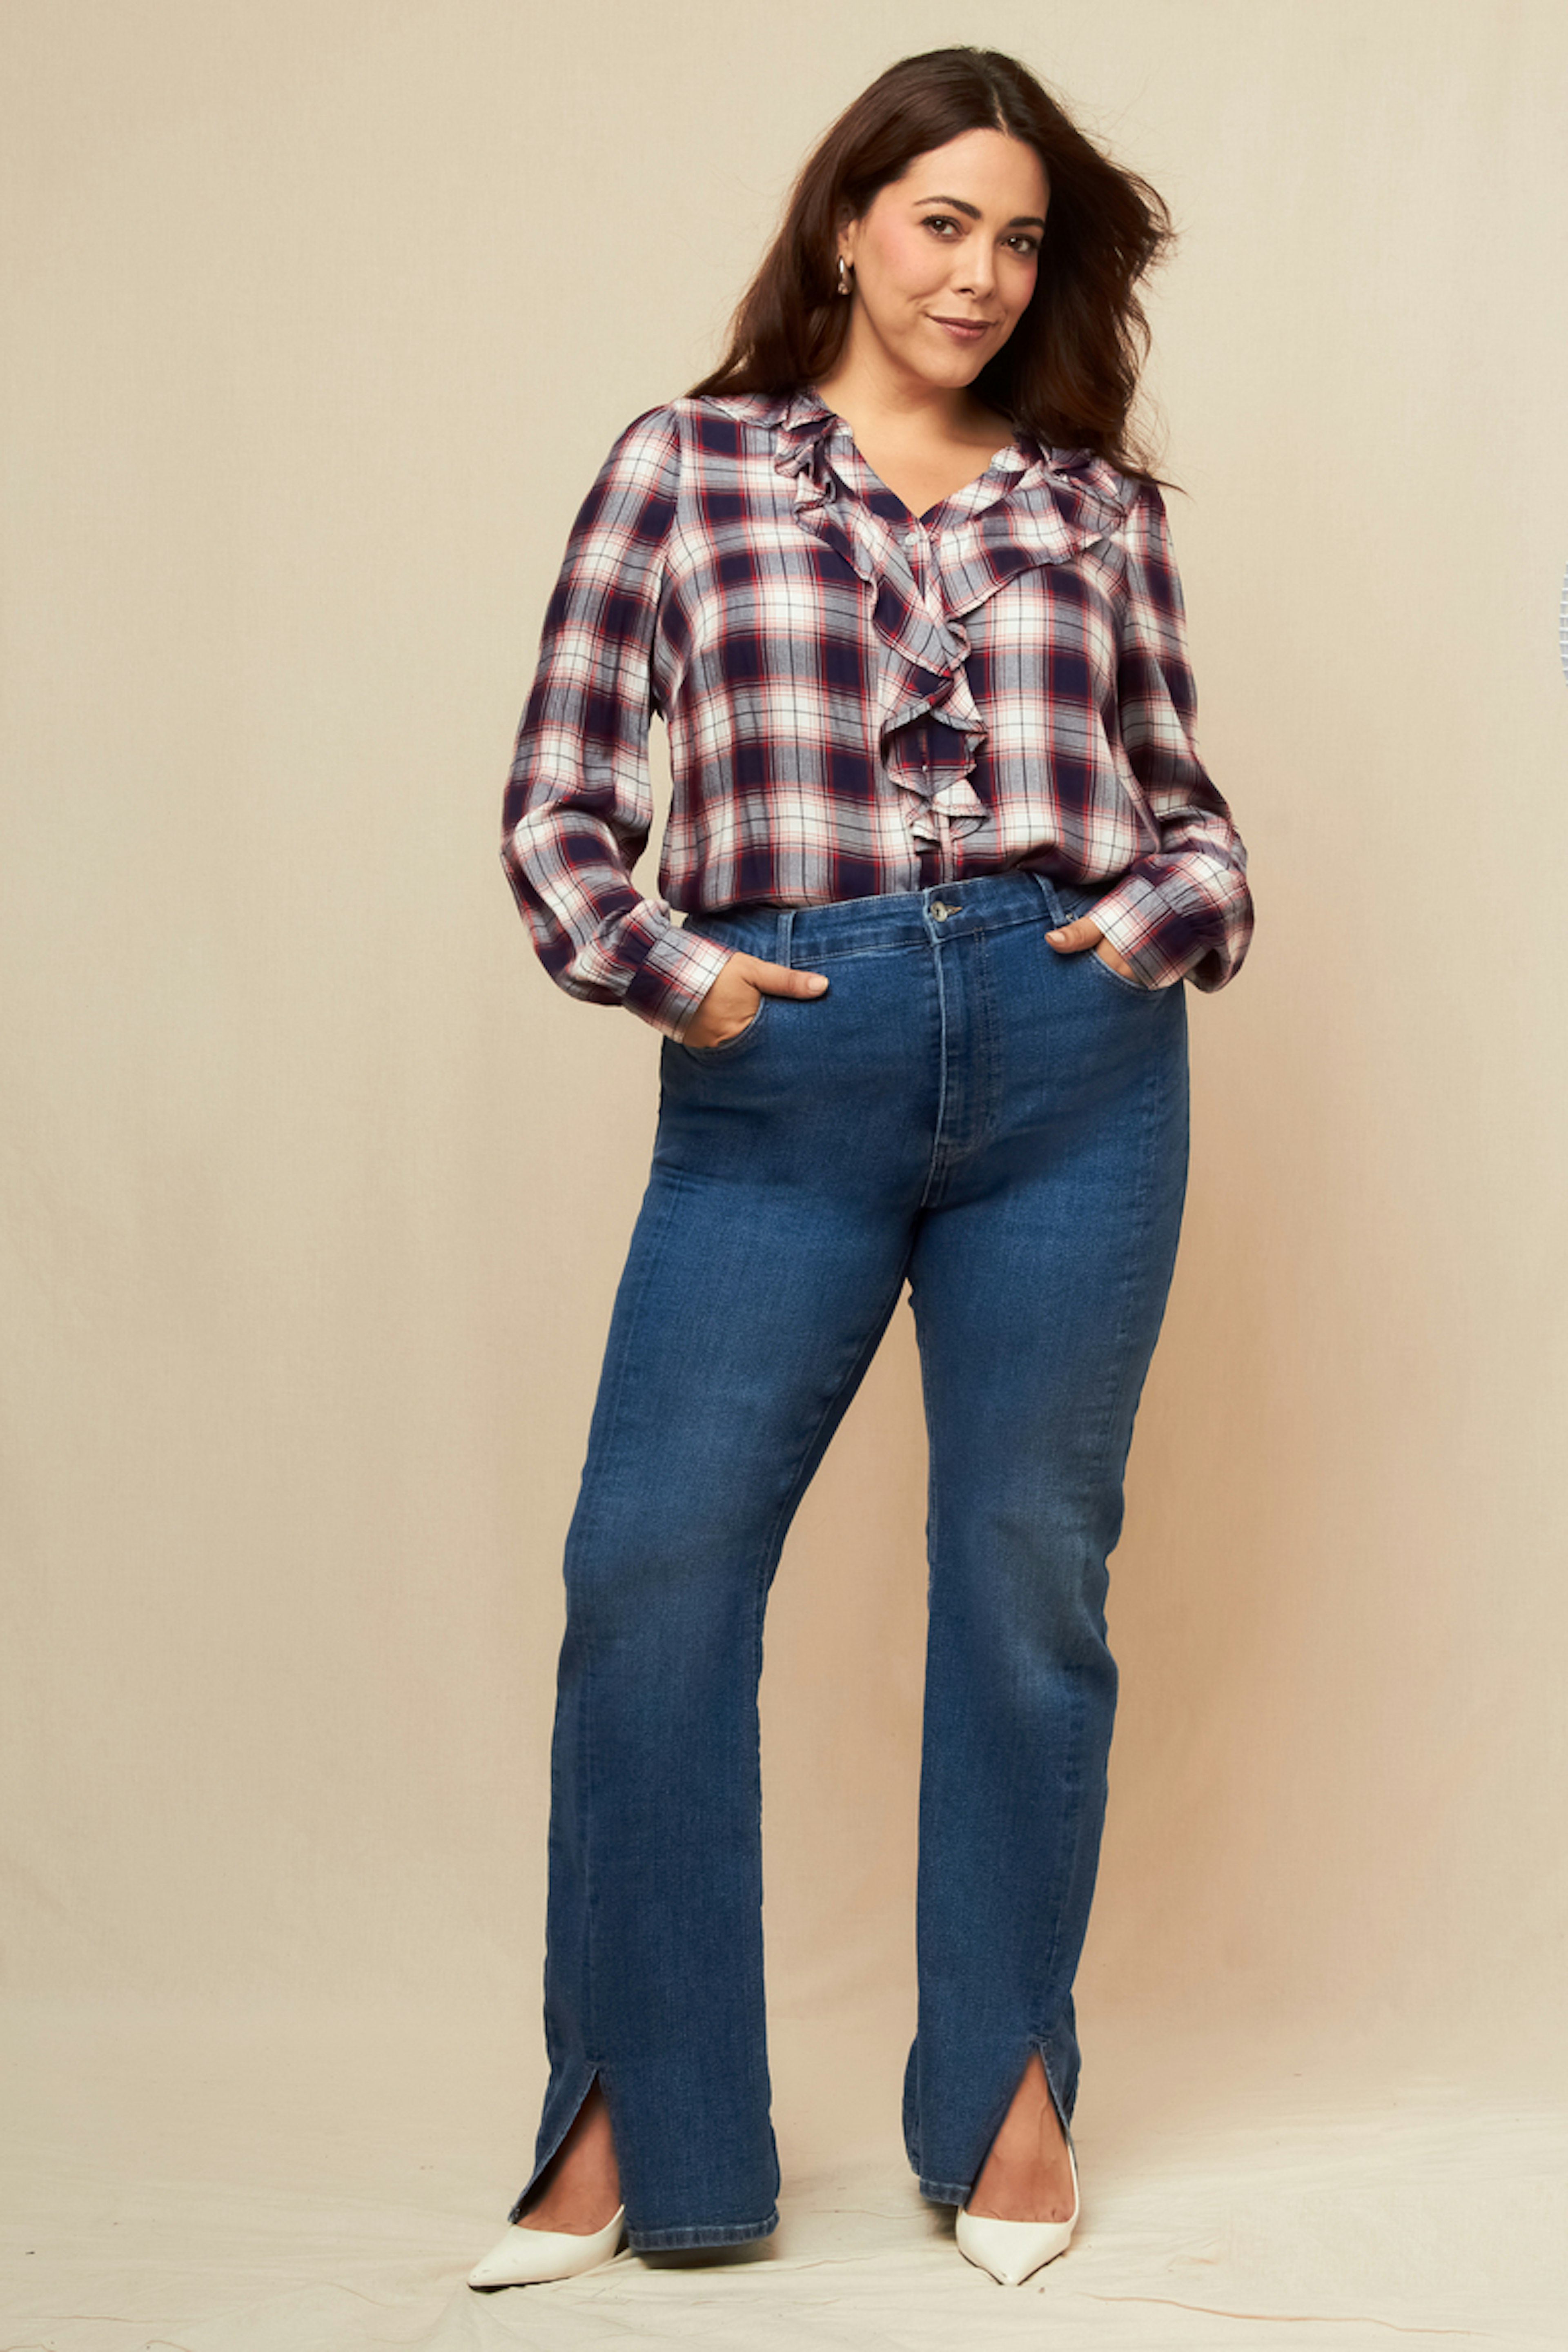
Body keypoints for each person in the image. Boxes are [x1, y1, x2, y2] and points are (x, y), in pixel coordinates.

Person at [468, 43, 1253, 2294]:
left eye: (1021, 241)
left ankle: (1006, 2088)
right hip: (785, 1073)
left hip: (1072, 1067)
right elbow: (557, 805)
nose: (982, 275)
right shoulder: (686, 466)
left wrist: (1154, 926)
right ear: (846, 225)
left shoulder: (1094, 507)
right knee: (652, 1570)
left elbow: (1189, 811)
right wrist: (684, 983)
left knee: (1025, 1577)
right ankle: (636, 2115)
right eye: (943, 223)